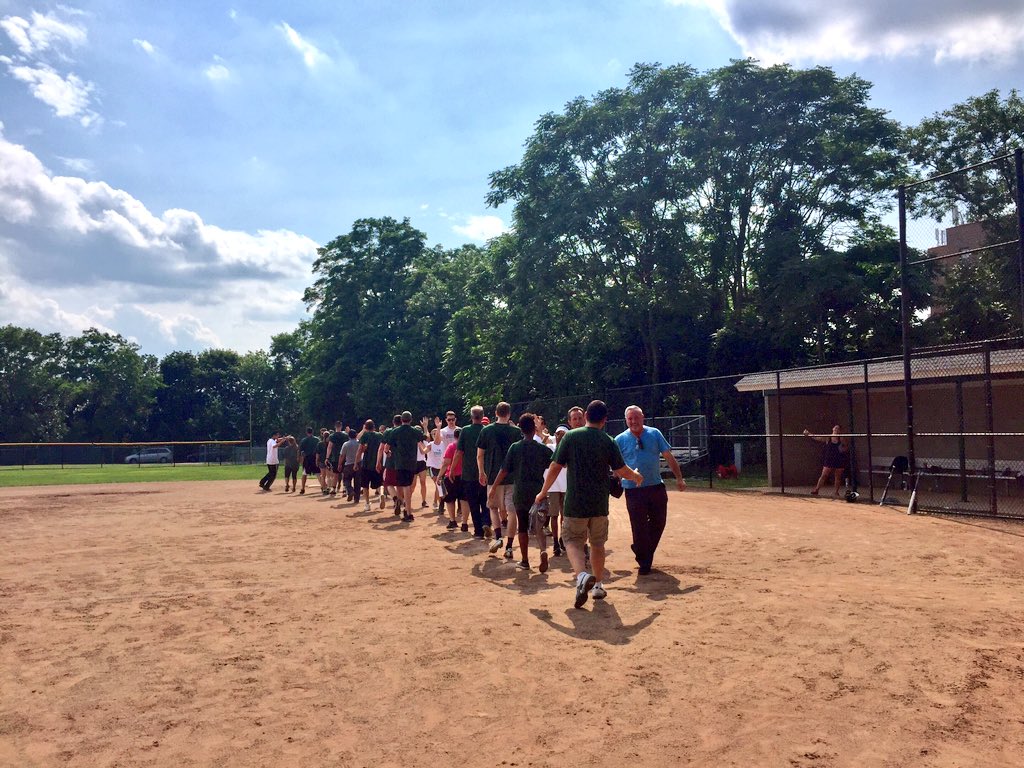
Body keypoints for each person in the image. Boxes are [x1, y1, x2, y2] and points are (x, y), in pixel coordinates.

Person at [536, 400, 643, 609]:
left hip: (576, 502)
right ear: (604, 420)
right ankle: (598, 586)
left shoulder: (571, 437)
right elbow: (621, 470)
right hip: (599, 503)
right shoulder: (607, 440)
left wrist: (543, 491)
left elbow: (555, 466)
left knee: (572, 540)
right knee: (597, 544)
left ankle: (582, 576)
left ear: (585, 416)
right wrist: (636, 476)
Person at [614, 405, 686, 575]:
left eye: (636, 418)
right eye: (630, 418)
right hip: (633, 490)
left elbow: (668, 456)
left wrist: (679, 478)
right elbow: (615, 465)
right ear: (626, 420)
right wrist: (619, 478)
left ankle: (641, 548)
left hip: (655, 486)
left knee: (659, 522)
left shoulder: (654, 434)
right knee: (639, 526)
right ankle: (644, 563)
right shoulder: (620, 439)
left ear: (643, 418)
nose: (634, 421)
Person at [489, 413, 553, 572]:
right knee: (539, 525)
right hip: (538, 491)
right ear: (534, 428)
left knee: (522, 526)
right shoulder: (541, 449)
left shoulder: (515, 447)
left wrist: (494, 487)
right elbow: (555, 463)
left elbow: (504, 470)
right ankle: (543, 551)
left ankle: (525, 561)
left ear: (521, 429)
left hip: (520, 491)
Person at [477, 401, 522, 559]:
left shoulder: (487, 430)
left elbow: (480, 455)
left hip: (493, 475)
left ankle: (498, 538)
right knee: (512, 511)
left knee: (493, 508)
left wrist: (481, 472)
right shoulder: (516, 431)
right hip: (512, 477)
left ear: (496, 413)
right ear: (509, 414)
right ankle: (509, 546)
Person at [382, 411, 423, 521]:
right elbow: (425, 437)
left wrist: (388, 453)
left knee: (403, 486)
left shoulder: (395, 431)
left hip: (400, 463)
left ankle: (408, 512)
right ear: (411, 420)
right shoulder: (415, 431)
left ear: (401, 420)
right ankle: (405, 508)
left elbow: (386, 447)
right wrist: (425, 427)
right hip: (412, 463)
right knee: (407, 486)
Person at [454, 406, 487, 539]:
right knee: (485, 501)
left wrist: (452, 468)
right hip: (485, 472)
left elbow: (459, 452)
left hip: (468, 473)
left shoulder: (465, 430)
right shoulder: (486, 430)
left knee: (473, 502)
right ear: (482, 416)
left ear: (471, 417)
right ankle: (486, 522)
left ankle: (478, 531)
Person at [804, 425, 849, 497]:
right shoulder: (828, 437)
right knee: (824, 475)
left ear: (840, 431)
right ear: (832, 429)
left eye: (838, 428)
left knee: (838, 476)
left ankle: (836, 492)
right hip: (829, 459)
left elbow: (846, 447)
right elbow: (818, 437)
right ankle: (816, 490)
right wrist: (809, 434)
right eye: (835, 428)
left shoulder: (841, 438)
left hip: (838, 459)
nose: (836, 429)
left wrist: (842, 449)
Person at [547, 425, 569, 557]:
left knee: (565, 516)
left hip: (566, 486)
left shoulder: (569, 449)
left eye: (562, 434)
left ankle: (563, 538)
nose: (559, 436)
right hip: (554, 487)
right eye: (557, 434)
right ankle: (556, 541)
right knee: (554, 515)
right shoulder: (551, 448)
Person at [355, 419, 384, 511]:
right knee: (380, 482)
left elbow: (360, 450)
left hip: (366, 464)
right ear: (374, 427)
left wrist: (356, 462)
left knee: (365, 485)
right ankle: (381, 494)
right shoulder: (380, 435)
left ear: (366, 427)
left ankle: (367, 504)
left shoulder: (365, 435)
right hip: (378, 463)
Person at [439, 427, 465, 530]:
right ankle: (464, 522)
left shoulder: (451, 446)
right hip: (465, 476)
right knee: (464, 500)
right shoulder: (467, 446)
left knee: (450, 500)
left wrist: (440, 475)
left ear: (455, 436)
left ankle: (452, 520)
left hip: (451, 476)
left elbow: (446, 463)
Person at [425, 427, 446, 511]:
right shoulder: (430, 444)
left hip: (442, 468)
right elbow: (425, 451)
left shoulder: (443, 444)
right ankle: (440, 504)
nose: (435, 435)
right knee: (439, 485)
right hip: (433, 467)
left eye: (437, 433)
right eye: (433, 434)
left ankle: (436, 502)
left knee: (439, 486)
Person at [298, 427, 323, 495]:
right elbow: (319, 449)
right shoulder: (317, 439)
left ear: (307, 432)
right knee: (318, 473)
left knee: (304, 473)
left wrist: (301, 458)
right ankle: (323, 487)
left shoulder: (304, 440)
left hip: (307, 459)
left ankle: (302, 489)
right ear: (312, 432)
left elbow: (301, 451)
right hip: (315, 458)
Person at [326, 421, 347, 497]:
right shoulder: (345, 435)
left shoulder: (332, 436)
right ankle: (344, 488)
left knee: (335, 473)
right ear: (341, 426)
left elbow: (329, 447)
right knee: (344, 473)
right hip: (344, 456)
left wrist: (327, 457)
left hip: (335, 457)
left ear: (335, 427)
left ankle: (334, 489)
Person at [340, 429, 361, 502]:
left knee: (346, 479)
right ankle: (356, 498)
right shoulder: (359, 443)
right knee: (357, 482)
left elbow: (342, 455)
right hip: (358, 463)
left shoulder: (346, 444)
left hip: (348, 464)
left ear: (348, 436)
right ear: (356, 435)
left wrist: (340, 464)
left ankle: (350, 490)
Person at [316, 429, 331, 495]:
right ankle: (328, 488)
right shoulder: (330, 443)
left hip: (321, 461)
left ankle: (323, 488)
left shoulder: (320, 444)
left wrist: (316, 461)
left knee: (323, 475)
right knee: (329, 476)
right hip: (328, 460)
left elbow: (317, 454)